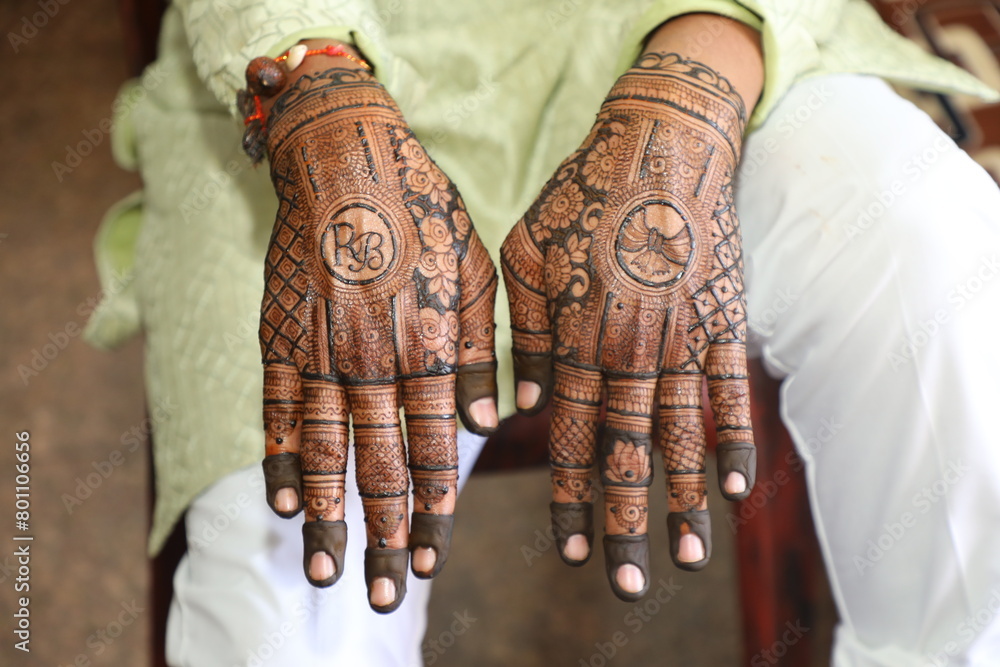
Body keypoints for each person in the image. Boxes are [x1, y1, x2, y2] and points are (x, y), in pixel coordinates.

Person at [85, 0, 1000, 664]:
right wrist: (321, 110)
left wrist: (693, 90)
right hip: (319, 61)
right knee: (279, 595)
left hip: (674, 32)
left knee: (929, 249)